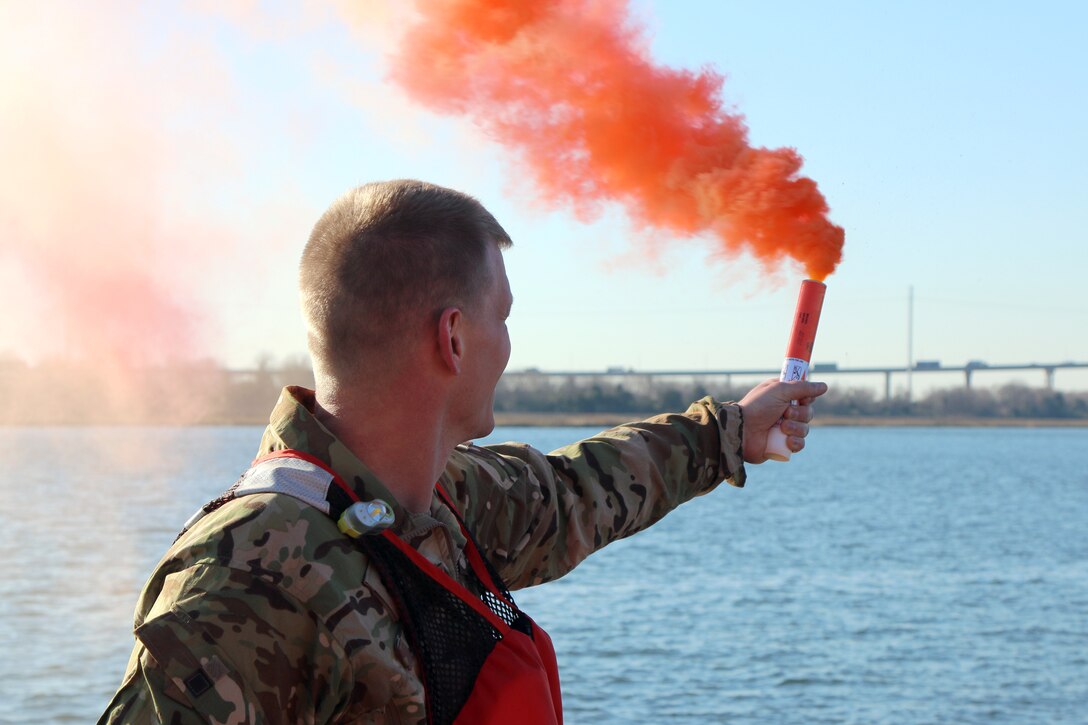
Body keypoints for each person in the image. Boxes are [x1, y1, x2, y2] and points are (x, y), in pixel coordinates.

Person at [101, 179, 826, 724]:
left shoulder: (431, 501)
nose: (509, 346)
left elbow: (579, 490)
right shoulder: (245, 577)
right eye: (501, 317)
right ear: (452, 337)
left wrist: (732, 431)